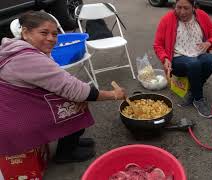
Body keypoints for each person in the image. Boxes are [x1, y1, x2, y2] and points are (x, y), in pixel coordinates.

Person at [0, 11, 126, 163]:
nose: (51, 39)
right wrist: (114, 95)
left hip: (16, 105)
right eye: (44, 33)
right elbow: (76, 90)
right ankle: (65, 154)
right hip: (14, 118)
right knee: (72, 106)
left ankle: (71, 142)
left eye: (54, 34)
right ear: (26, 32)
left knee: (74, 99)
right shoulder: (27, 58)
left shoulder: (19, 47)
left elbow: (59, 81)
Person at [153, 0, 212, 118]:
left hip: (198, 55)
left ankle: (192, 92)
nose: (182, 12)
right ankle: (198, 99)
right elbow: (158, 44)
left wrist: (209, 43)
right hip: (177, 59)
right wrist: (165, 59)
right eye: (178, 7)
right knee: (193, 64)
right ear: (174, 6)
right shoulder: (167, 19)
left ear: (194, 7)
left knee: (211, 60)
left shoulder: (202, 15)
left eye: (186, 8)